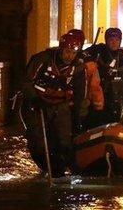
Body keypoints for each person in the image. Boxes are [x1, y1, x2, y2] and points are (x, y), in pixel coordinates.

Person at [20, 31, 102, 177]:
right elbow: (27, 81)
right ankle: (45, 166)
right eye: (67, 52)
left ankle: (59, 170)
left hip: (60, 105)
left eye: (73, 53)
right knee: (38, 142)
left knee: (64, 141)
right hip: (38, 105)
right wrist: (33, 98)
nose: (69, 56)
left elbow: (80, 94)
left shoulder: (78, 67)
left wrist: (78, 116)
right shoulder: (42, 60)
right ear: (61, 49)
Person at [84, 27, 123, 123]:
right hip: (100, 100)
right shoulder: (98, 52)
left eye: (117, 40)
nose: (114, 42)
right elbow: (83, 57)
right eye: (111, 40)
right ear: (106, 41)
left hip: (116, 101)